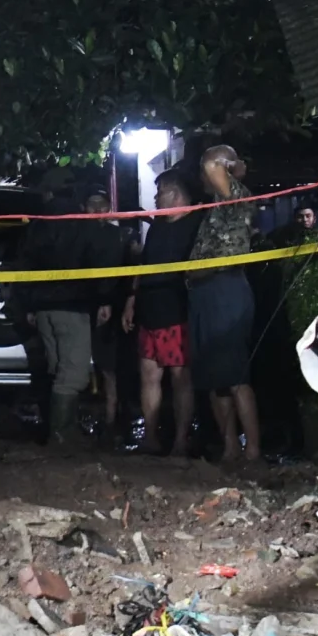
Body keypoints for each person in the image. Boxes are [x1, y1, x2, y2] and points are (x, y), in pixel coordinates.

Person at [16, 181, 125, 444]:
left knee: (57, 369)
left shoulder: (37, 225)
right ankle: (61, 433)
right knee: (73, 374)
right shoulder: (80, 224)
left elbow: (24, 264)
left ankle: (61, 429)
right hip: (72, 307)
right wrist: (104, 300)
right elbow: (99, 264)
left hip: (43, 310)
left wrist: (29, 305)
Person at [186, 144, 261, 466]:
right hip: (204, 292)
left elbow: (213, 163)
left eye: (210, 167)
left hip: (226, 290)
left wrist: (230, 162)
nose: (205, 172)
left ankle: (254, 450)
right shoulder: (216, 203)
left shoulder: (236, 195)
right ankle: (230, 447)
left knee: (235, 374)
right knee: (213, 378)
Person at [123, 172, 198, 458]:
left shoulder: (195, 224)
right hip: (149, 312)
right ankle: (151, 437)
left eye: (159, 193)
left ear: (175, 193)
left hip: (177, 312)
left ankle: (181, 440)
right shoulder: (157, 228)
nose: (155, 199)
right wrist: (132, 300)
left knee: (181, 378)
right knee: (148, 375)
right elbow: (143, 266)